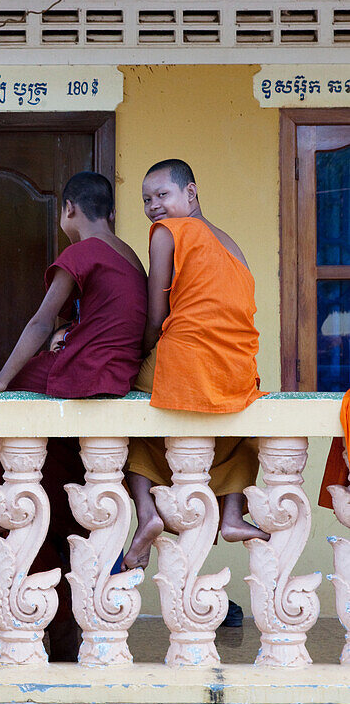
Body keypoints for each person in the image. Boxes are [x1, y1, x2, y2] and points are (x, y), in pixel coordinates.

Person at [0, 171, 148, 658]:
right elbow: (106, 316)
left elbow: (42, 320)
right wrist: (74, 330)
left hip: (85, 373)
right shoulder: (127, 254)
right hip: (117, 372)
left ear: (68, 210)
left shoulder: (78, 253)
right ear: (111, 212)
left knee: (6, 402)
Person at [122, 158, 269, 571]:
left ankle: (146, 515)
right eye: (146, 200)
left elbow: (155, 316)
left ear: (190, 192)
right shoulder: (231, 244)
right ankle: (234, 514)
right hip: (236, 368)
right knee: (240, 438)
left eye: (162, 195)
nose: (153, 207)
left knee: (124, 417)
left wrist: (138, 356)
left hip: (184, 359)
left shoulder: (167, 233)